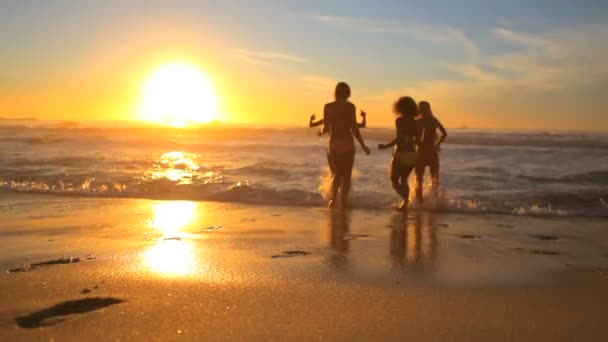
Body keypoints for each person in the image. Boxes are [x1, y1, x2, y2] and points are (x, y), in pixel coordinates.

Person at [320, 82, 371, 208]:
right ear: (348, 93)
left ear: (335, 92)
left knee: (336, 173)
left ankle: (333, 200)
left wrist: (320, 131)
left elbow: (325, 128)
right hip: (348, 144)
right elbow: (354, 128)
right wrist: (363, 145)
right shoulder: (350, 107)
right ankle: (343, 202)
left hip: (334, 144)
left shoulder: (328, 107)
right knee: (347, 175)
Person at [378, 96, 420, 210]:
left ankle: (406, 200)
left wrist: (385, 146)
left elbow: (399, 138)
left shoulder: (400, 120)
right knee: (404, 180)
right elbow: (418, 140)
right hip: (412, 154)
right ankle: (406, 203)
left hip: (401, 153)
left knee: (394, 179)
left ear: (399, 108)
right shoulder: (416, 123)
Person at [415, 101, 447, 202]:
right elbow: (444, 134)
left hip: (421, 153)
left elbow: (415, 138)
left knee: (419, 180)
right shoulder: (434, 120)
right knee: (435, 180)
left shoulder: (418, 121)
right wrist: (437, 144)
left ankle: (419, 203)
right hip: (432, 153)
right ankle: (435, 203)